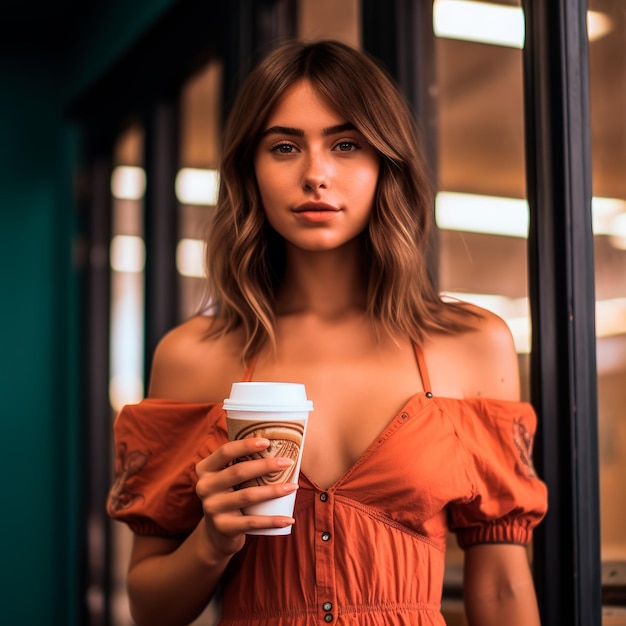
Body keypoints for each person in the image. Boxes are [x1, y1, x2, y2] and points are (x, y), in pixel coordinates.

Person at [107, 39, 548, 626]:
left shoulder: (471, 344)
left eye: (346, 145)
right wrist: (212, 539)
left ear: (384, 163)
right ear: (250, 170)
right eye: (284, 146)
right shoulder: (193, 356)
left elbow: (501, 589)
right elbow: (151, 609)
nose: (316, 174)